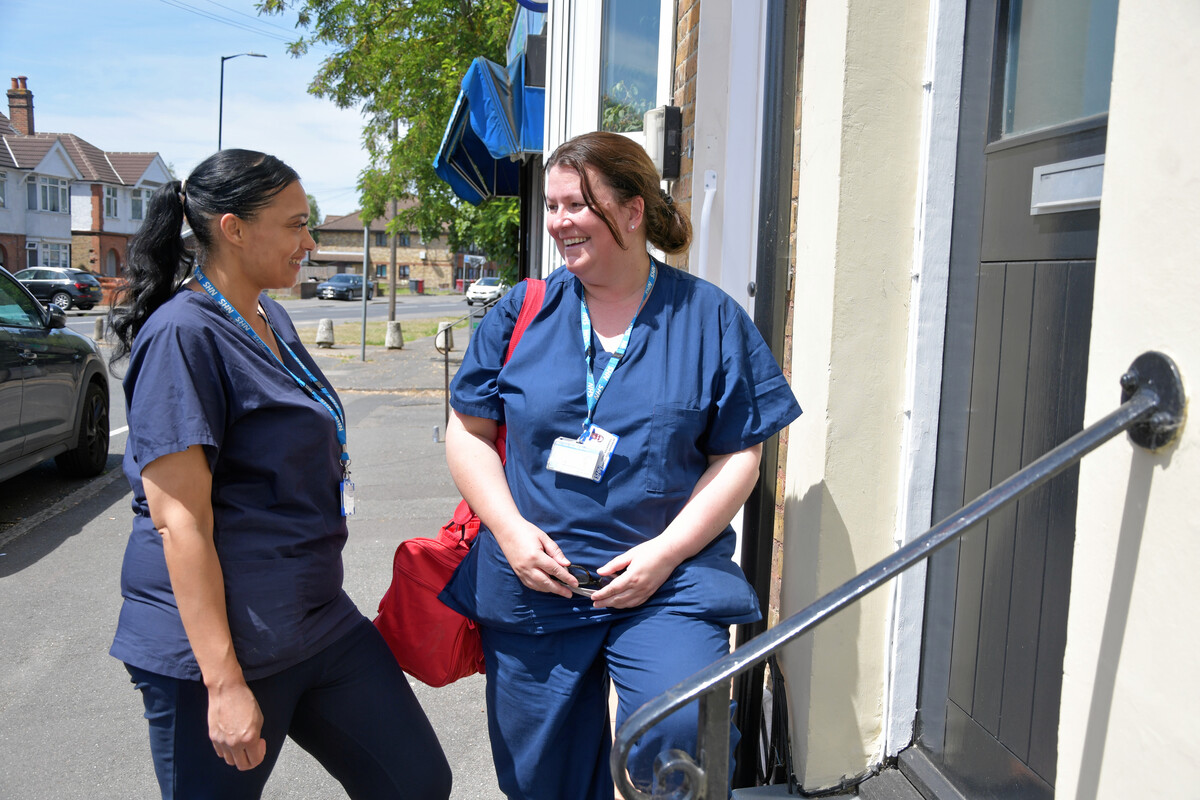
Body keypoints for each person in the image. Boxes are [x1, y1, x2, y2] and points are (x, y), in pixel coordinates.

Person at [442, 131, 803, 799]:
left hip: (664, 584)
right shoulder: (521, 313)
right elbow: (466, 433)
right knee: (541, 779)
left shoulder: (709, 319)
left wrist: (666, 553)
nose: (557, 222)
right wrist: (512, 533)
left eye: (576, 204)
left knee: (681, 739)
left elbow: (739, 455)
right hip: (535, 588)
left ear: (632, 211)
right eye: (551, 207)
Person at [108, 149, 451, 800]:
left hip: (313, 617)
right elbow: (178, 522)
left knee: (415, 781)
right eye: (295, 224)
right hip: (219, 646)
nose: (311, 242)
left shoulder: (271, 315)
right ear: (234, 229)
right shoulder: (185, 335)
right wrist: (223, 682)